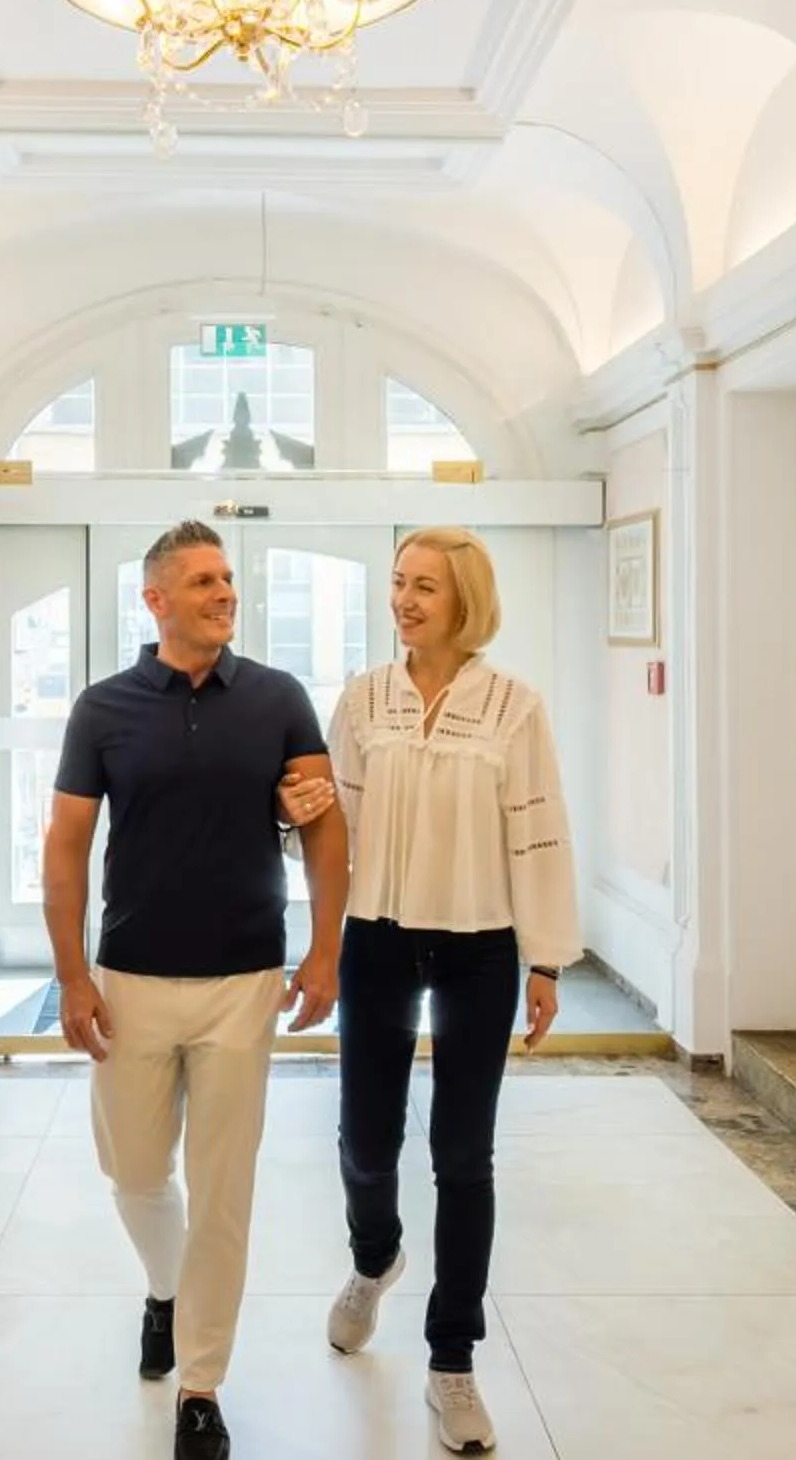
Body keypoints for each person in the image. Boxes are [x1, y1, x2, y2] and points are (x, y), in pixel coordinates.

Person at [47, 519, 350, 1460]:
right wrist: (70, 975)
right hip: (130, 975)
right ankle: (167, 1292)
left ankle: (201, 1385)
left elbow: (324, 825)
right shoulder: (104, 709)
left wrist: (325, 949)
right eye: (206, 581)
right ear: (157, 600)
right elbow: (64, 848)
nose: (226, 594)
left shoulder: (278, 698)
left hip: (243, 976)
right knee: (135, 1173)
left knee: (223, 1190)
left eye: (230, 580)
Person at [277, 527, 580, 1456]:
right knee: (366, 1140)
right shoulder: (363, 699)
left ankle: (453, 1360)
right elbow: (333, 834)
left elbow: (537, 834)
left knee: (463, 1152)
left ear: (465, 601)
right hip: (376, 939)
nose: (405, 601)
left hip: (480, 948)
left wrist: (545, 960)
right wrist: (301, 842)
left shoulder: (512, 707)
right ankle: (374, 1260)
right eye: (399, 584)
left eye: (425, 588)